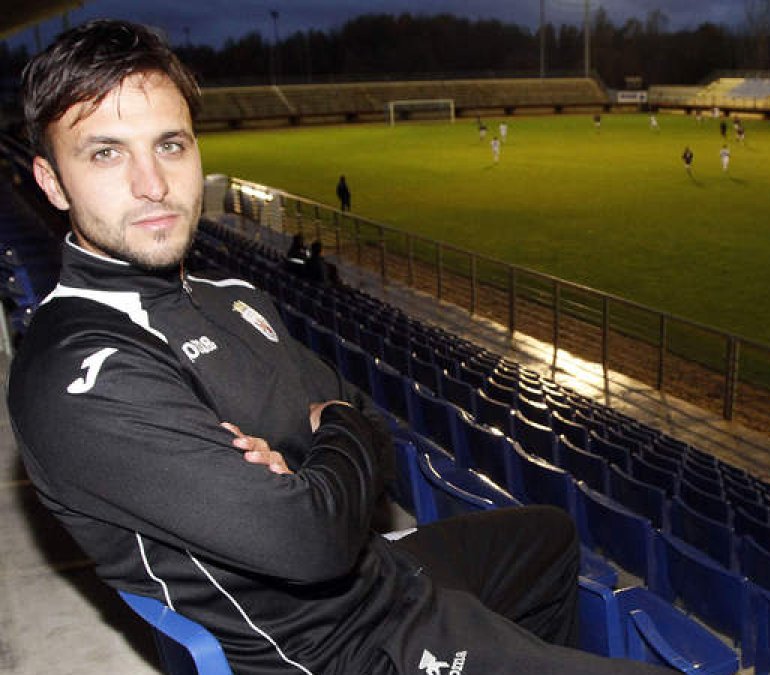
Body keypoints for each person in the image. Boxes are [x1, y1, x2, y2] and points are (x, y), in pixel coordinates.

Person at [10, 19, 668, 675]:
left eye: (171, 145)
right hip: (334, 650)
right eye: (106, 153)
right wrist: (320, 455)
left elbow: (364, 420)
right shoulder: (79, 368)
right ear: (51, 181)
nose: (152, 182)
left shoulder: (230, 296)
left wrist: (316, 457)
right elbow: (310, 538)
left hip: (374, 577)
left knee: (547, 536)